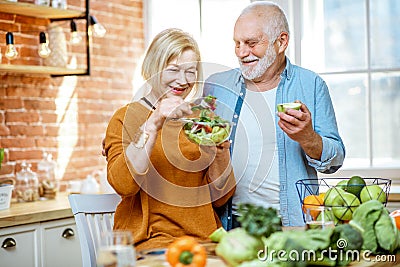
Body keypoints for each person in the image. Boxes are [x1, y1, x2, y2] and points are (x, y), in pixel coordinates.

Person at [204, 1, 345, 227]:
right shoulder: (216, 87)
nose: (241, 52)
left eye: (251, 43)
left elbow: (334, 160)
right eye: (237, 43)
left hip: (290, 224)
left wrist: (308, 138)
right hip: (230, 224)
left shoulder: (311, 85)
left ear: (281, 42)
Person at [104, 28, 236, 250]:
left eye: (191, 72)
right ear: (154, 68)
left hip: (205, 241)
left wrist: (220, 148)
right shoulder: (126, 118)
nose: (183, 81)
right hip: (151, 242)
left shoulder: (202, 119)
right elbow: (123, 185)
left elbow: (220, 197)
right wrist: (153, 124)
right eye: (173, 70)